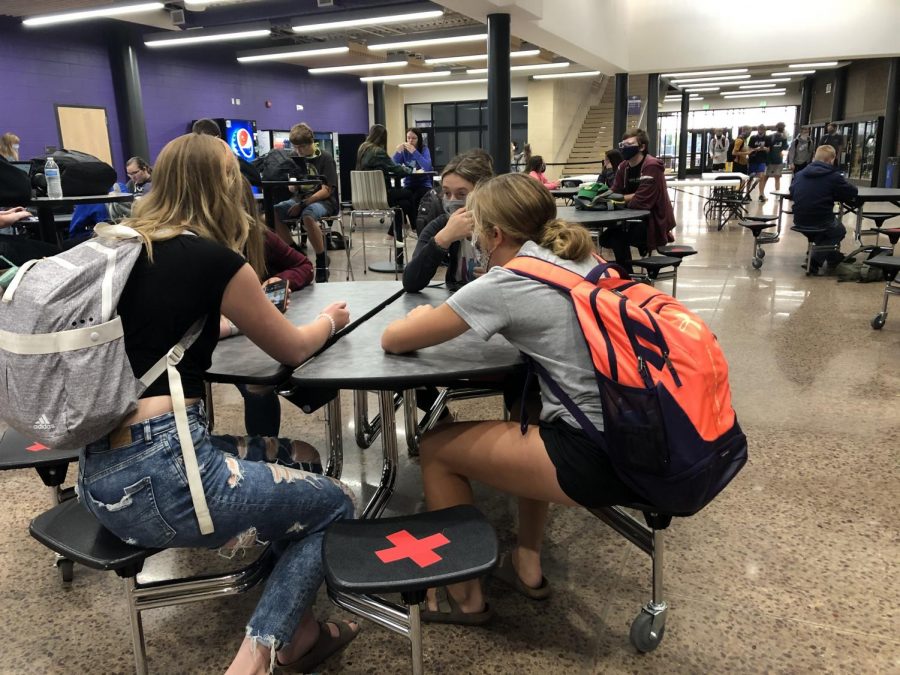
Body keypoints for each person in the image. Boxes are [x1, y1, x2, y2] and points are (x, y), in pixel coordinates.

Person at [76, 133, 359, 675]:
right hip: (170, 478)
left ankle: (298, 626)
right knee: (335, 502)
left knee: (298, 456)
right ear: (226, 184)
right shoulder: (214, 259)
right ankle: (258, 658)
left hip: (100, 476)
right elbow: (294, 347)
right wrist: (331, 320)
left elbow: (154, 333)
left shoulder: (124, 245)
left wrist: (220, 327)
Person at [381, 173, 640, 624]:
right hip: (636, 432)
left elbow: (394, 339)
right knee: (528, 412)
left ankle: (466, 597)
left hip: (594, 456)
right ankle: (528, 559)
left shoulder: (508, 281)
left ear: (495, 234)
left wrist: (425, 315)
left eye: (478, 226)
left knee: (438, 447)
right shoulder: (583, 257)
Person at [222, 179, 315, 439]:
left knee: (257, 387)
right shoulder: (197, 245)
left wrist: (282, 279)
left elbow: (304, 266)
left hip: (246, 337)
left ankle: (265, 455)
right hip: (209, 339)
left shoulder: (258, 235)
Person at [403, 150, 495, 293]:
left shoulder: (502, 226)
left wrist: (502, 277)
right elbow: (411, 282)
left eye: (461, 194)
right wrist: (443, 239)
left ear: (483, 193)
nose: (452, 201)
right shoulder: (441, 225)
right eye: (446, 193)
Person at [272, 122, 340, 283]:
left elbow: (327, 190)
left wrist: (303, 204)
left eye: (301, 147)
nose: (298, 151)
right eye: (295, 147)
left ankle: (321, 259)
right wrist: (293, 185)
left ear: (311, 142)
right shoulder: (294, 159)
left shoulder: (325, 158)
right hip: (299, 199)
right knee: (273, 211)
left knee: (307, 215)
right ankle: (295, 253)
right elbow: (292, 189)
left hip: (325, 201)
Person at [605, 128, 676, 274]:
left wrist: (620, 199)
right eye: (622, 144)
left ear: (642, 147)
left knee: (616, 238)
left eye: (629, 144)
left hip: (651, 221)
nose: (624, 148)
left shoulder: (652, 166)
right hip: (629, 219)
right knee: (606, 238)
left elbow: (642, 201)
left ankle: (626, 276)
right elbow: (615, 190)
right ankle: (626, 273)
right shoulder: (623, 167)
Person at [788, 144, 857, 274]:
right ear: (831, 160)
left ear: (814, 157)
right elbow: (851, 192)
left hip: (799, 219)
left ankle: (834, 258)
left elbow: (792, 192)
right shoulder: (834, 176)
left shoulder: (799, 174)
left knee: (822, 234)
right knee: (838, 230)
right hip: (822, 219)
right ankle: (814, 261)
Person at [356, 124, 415, 265]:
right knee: (410, 193)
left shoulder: (362, 149)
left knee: (403, 204)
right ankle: (414, 227)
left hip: (363, 197)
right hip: (382, 196)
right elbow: (397, 170)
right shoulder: (378, 152)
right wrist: (410, 167)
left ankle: (395, 238)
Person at [392, 127, 434, 211]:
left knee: (415, 198)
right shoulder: (404, 151)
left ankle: (417, 223)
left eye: (414, 138)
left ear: (419, 139)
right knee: (404, 202)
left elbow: (427, 166)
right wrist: (398, 152)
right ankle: (413, 223)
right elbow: (393, 166)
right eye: (408, 138)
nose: (410, 141)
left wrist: (415, 152)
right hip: (409, 184)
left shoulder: (424, 149)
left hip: (423, 184)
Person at [760, 122, 789, 195]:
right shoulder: (770, 137)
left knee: (777, 177)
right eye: (781, 127)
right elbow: (766, 147)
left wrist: (785, 138)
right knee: (766, 177)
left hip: (778, 160)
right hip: (770, 160)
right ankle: (762, 193)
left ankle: (777, 194)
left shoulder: (783, 138)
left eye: (782, 127)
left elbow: (785, 148)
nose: (781, 129)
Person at [747, 124, 770, 201]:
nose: (761, 130)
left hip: (762, 160)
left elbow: (769, 149)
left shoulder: (767, 138)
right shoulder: (753, 138)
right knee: (750, 177)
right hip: (753, 159)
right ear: (757, 129)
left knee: (762, 177)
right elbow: (749, 148)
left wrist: (764, 148)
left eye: (762, 129)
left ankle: (761, 194)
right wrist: (756, 149)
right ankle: (747, 193)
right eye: (759, 129)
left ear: (764, 130)